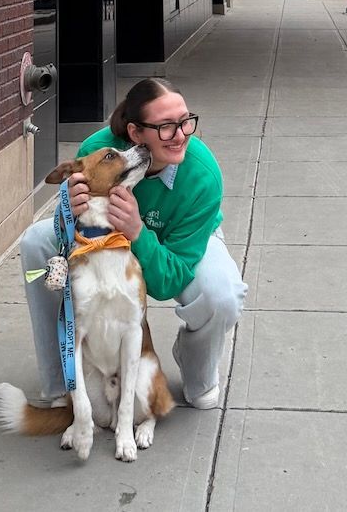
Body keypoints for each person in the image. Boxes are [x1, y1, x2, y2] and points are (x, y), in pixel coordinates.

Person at [20, 78, 245, 410]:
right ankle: (60, 384)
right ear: (136, 133)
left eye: (185, 122)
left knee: (221, 294)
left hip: (183, 240)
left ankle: (198, 372)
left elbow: (169, 281)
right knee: (37, 242)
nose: (181, 135)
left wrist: (138, 232)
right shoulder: (97, 152)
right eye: (166, 127)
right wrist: (67, 208)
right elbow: (69, 233)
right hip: (102, 239)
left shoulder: (203, 174)